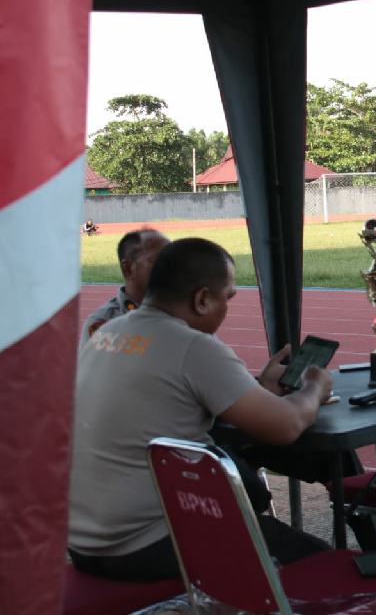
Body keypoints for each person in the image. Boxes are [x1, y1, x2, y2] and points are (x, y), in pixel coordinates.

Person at [68, 238, 334, 581]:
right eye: (227, 297)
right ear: (202, 299)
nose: (227, 308)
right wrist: (315, 386)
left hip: (85, 543)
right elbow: (287, 424)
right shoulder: (190, 345)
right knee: (324, 565)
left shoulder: (108, 332)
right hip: (149, 544)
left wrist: (258, 390)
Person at [80, 229, 170, 347]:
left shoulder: (184, 310)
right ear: (128, 269)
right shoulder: (104, 324)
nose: (171, 267)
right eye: (157, 261)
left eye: (172, 260)